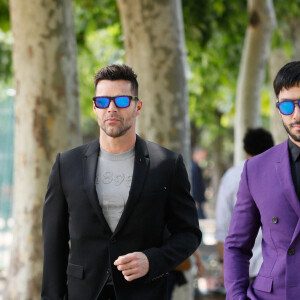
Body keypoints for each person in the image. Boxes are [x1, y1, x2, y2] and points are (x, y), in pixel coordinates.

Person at [41, 64, 202, 300]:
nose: (112, 109)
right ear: (94, 107)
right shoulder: (67, 164)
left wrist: (152, 260)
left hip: (144, 293)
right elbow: (53, 244)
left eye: (122, 101)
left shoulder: (167, 164)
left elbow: (189, 233)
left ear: (138, 107)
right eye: (103, 102)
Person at [224, 61, 300, 299]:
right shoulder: (256, 169)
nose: (296, 114)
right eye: (287, 105)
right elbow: (237, 245)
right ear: (279, 109)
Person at [215, 128, 274, 283]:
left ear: (246, 151)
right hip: (278, 270)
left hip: (242, 268)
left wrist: (223, 264)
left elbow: (222, 227)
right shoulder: (284, 173)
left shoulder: (232, 177)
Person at [191, 146, 207, 219]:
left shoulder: (196, 167)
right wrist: (195, 199)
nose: (204, 157)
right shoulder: (194, 167)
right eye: (202, 154)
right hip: (196, 200)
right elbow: (194, 184)